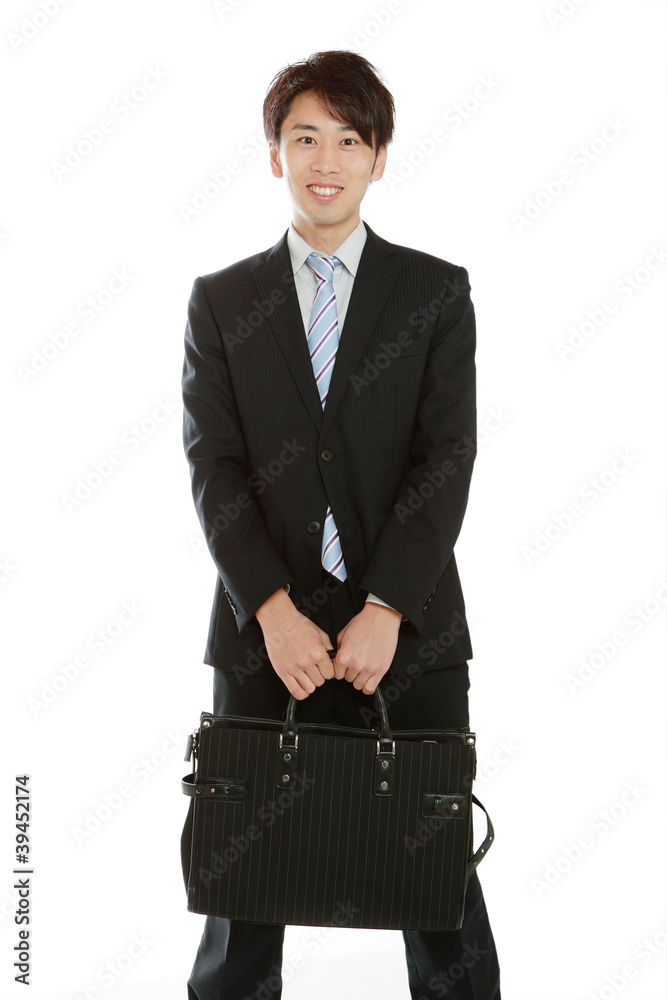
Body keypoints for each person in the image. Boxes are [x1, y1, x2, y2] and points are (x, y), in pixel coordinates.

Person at [181, 48, 501, 1000]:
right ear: (274, 154)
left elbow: (446, 458)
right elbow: (214, 466)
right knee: (244, 889)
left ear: (379, 157)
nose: (326, 160)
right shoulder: (223, 300)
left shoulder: (433, 293)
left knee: (432, 881)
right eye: (305, 137)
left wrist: (387, 607)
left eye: (349, 140)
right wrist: (271, 610)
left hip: (407, 632)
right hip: (264, 636)